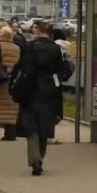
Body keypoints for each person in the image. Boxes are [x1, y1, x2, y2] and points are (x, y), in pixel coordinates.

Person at [20, 20, 64, 175]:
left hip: (31, 89)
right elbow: (61, 69)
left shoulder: (30, 47)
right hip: (49, 90)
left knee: (31, 126)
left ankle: (35, 158)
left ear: (39, 31)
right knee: (44, 126)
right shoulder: (55, 49)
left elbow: (23, 65)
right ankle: (40, 156)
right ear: (50, 32)